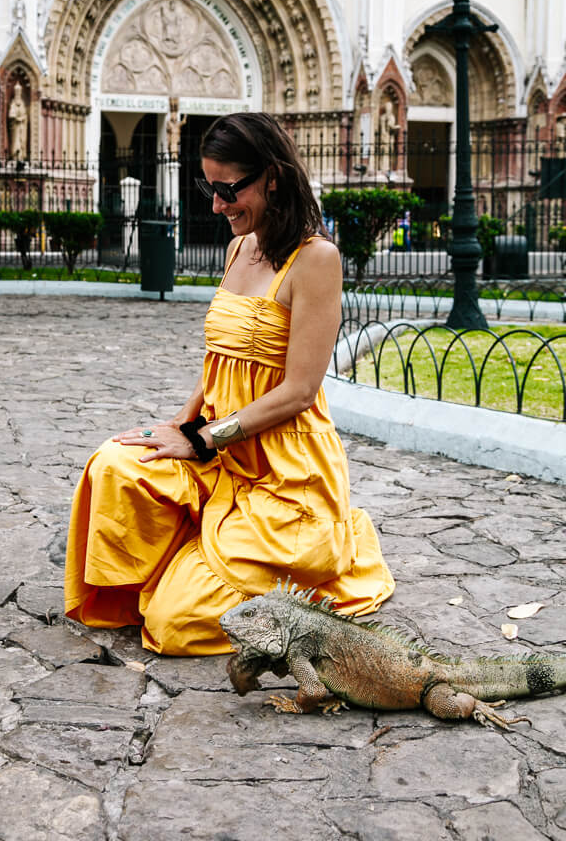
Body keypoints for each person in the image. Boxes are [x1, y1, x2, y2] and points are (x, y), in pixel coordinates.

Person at [64, 112, 394, 655]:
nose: (216, 205)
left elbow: (298, 393)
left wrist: (199, 440)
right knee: (114, 464)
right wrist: (177, 426)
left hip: (283, 470)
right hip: (218, 448)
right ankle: (194, 553)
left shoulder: (316, 259)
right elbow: (221, 360)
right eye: (208, 188)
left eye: (226, 190)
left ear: (272, 176)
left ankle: (310, 548)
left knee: (173, 625)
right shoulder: (240, 247)